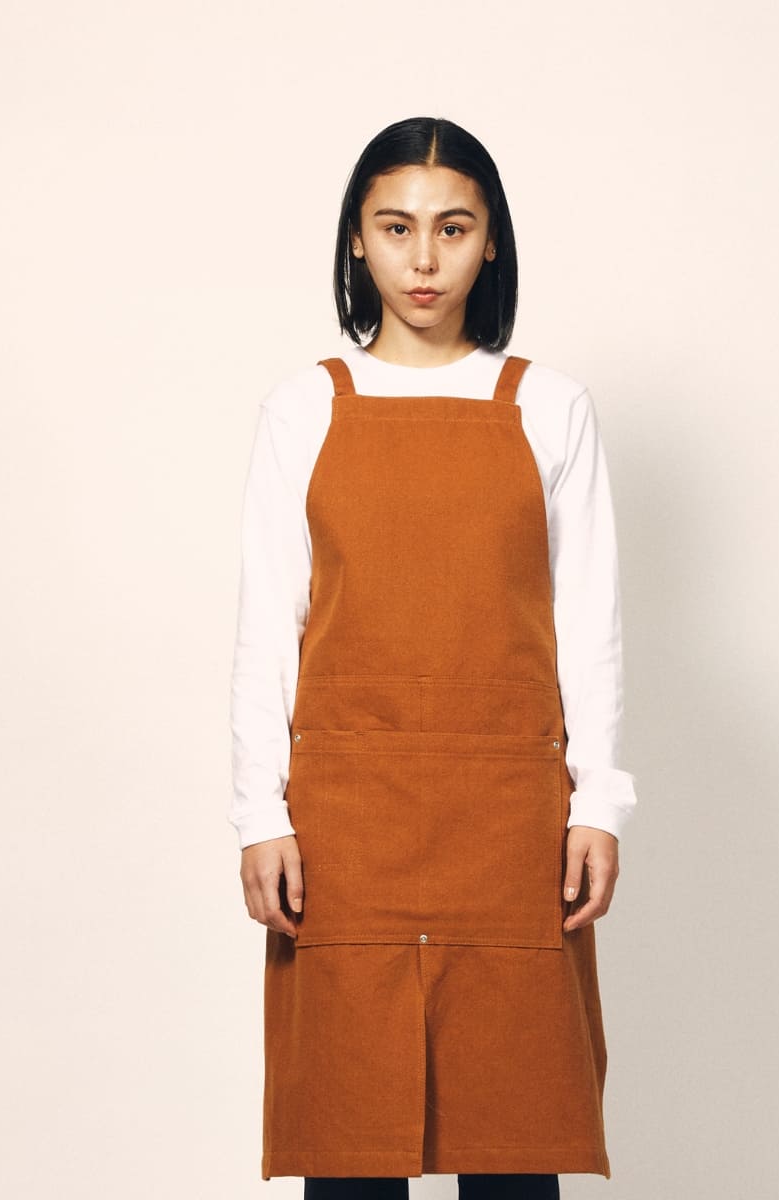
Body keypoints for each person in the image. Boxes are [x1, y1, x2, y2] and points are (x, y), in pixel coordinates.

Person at [229, 116, 639, 1199]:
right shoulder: (303, 409)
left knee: (512, 1146)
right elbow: (269, 624)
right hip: (347, 821)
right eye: (396, 227)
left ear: (490, 242)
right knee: (350, 1151)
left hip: (508, 817)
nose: (424, 259)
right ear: (356, 239)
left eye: (452, 229)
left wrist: (599, 801)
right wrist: (259, 814)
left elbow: (588, 621)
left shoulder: (550, 407)